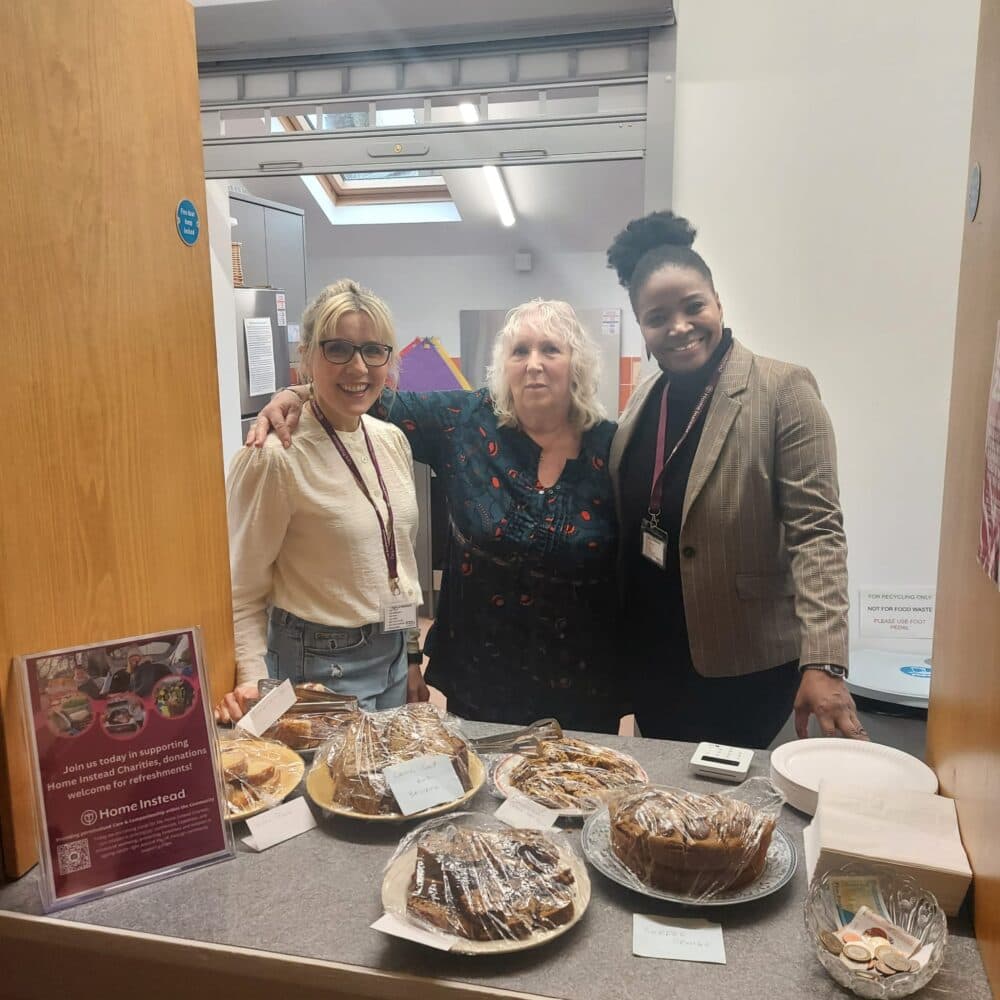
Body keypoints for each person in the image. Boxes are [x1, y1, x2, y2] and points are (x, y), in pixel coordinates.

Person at [250, 300, 624, 734]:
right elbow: (364, 393)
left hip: (582, 676)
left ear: (576, 362)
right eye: (520, 351)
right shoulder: (465, 420)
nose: (534, 365)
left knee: (578, 789)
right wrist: (294, 392)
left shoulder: (613, 447)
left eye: (551, 350)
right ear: (504, 364)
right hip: (482, 671)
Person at [606, 211, 862, 747]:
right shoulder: (641, 402)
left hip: (742, 662)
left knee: (726, 807)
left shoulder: (782, 390)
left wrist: (825, 661)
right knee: (669, 797)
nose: (678, 326)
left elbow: (817, 532)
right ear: (642, 328)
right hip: (653, 654)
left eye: (693, 306)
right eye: (657, 317)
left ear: (717, 302)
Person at [215, 279, 425, 723]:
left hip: (389, 653)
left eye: (373, 349)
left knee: (384, 784)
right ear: (307, 355)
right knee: (336, 789)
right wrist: (254, 682)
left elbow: (398, 564)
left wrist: (409, 658)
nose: (359, 367)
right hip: (320, 663)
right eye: (338, 349)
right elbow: (241, 589)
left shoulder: (390, 440)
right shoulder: (275, 458)